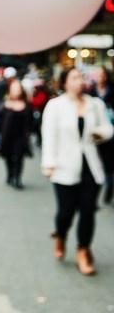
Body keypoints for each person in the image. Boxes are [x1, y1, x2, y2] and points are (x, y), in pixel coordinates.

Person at [41, 67, 113, 276]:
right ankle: (61, 235)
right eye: (74, 77)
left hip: (91, 165)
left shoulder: (95, 104)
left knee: (88, 209)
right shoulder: (55, 106)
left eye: (81, 77)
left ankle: (83, 250)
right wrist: (48, 162)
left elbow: (108, 127)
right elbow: (49, 135)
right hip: (64, 166)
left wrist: (100, 133)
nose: (80, 81)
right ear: (64, 83)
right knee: (66, 211)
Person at [0, 79, 33, 189]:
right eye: (14, 89)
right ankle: (10, 174)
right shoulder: (4, 104)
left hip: (20, 135)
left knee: (19, 157)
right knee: (8, 156)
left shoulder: (26, 105)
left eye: (18, 89)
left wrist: (29, 133)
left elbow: (30, 121)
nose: (16, 91)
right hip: (7, 135)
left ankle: (17, 178)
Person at [88, 66, 114, 204]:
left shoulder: (111, 90)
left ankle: (109, 185)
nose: (100, 77)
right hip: (97, 131)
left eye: (102, 74)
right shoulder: (90, 92)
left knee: (109, 162)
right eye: (97, 74)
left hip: (111, 131)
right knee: (97, 160)